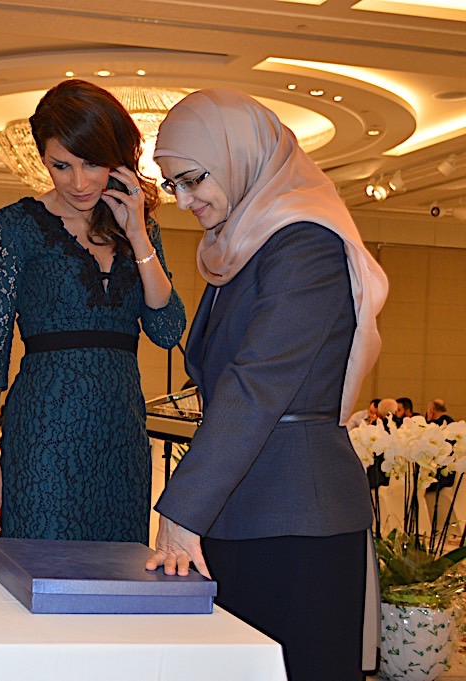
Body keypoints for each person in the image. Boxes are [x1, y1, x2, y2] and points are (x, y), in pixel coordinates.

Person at [145, 89, 388, 681]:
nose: (184, 200)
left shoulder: (306, 242)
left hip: (296, 513)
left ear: (239, 156)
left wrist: (181, 508)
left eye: (193, 180)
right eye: (173, 185)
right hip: (241, 509)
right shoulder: (242, 246)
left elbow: (257, 383)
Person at [0, 79, 187, 541]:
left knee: (118, 574)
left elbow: (167, 329)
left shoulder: (140, 230)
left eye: (92, 163)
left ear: (117, 159)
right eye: (61, 166)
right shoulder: (15, 227)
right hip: (43, 435)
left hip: (122, 439)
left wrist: (138, 237)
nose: (79, 182)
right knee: (41, 570)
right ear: (42, 159)